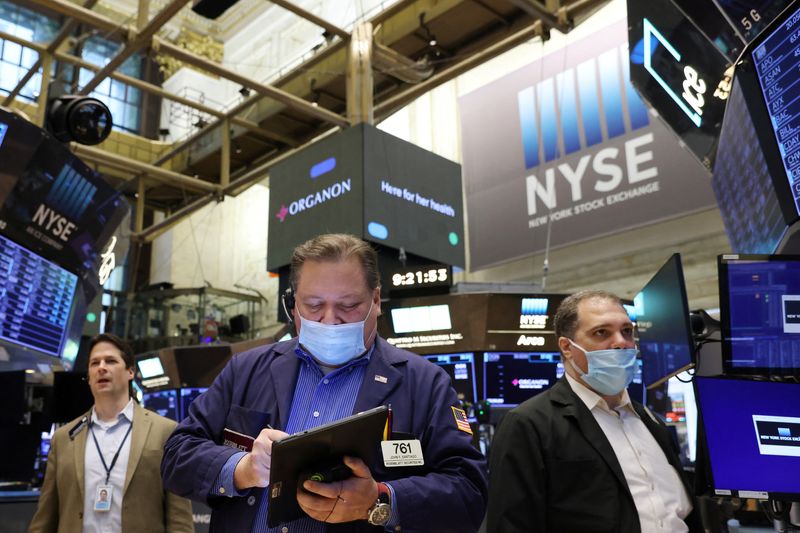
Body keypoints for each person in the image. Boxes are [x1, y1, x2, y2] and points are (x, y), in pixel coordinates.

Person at [161, 233, 487, 532]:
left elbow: (469, 490)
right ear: (293, 305)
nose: (330, 320)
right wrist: (242, 468)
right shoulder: (246, 369)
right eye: (314, 306)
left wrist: (380, 500)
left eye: (348, 306)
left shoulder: (425, 384)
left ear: (376, 300)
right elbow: (178, 454)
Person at [485, 290, 702, 532]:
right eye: (602, 332)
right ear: (567, 347)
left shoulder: (651, 422)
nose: (621, 342)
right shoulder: (529, 424)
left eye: (627, 331)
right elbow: (509, 524)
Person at [29, 333, 194, 533]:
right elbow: (46, 516)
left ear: (130, 371)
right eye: (94, 363)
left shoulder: (165, 432)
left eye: (111, 361)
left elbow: (179, 520)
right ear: (88, 377)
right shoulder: (64, 438)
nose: (101, 367)